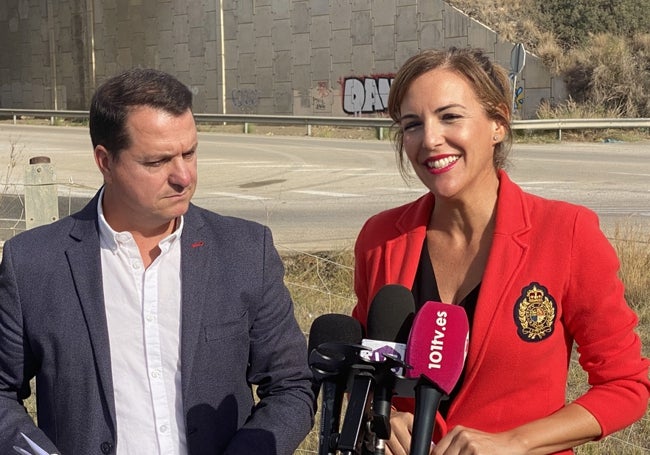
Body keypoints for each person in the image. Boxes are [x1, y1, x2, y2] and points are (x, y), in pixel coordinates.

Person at [0, 68, 314, 455]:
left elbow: (291, 387)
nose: (183, 176)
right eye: (157, 161)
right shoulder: (32, 262)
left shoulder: (246, 251)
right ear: (105, 161)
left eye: (190, 152)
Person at [352, 47, 649, 455]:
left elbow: (626, 385)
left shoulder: (567, 233)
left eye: (450, 116)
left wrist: (516, 442)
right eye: (412, 124)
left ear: (498, 123)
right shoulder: (380, 239)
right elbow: (364, 370)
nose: (430, 139)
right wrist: (379, 414)